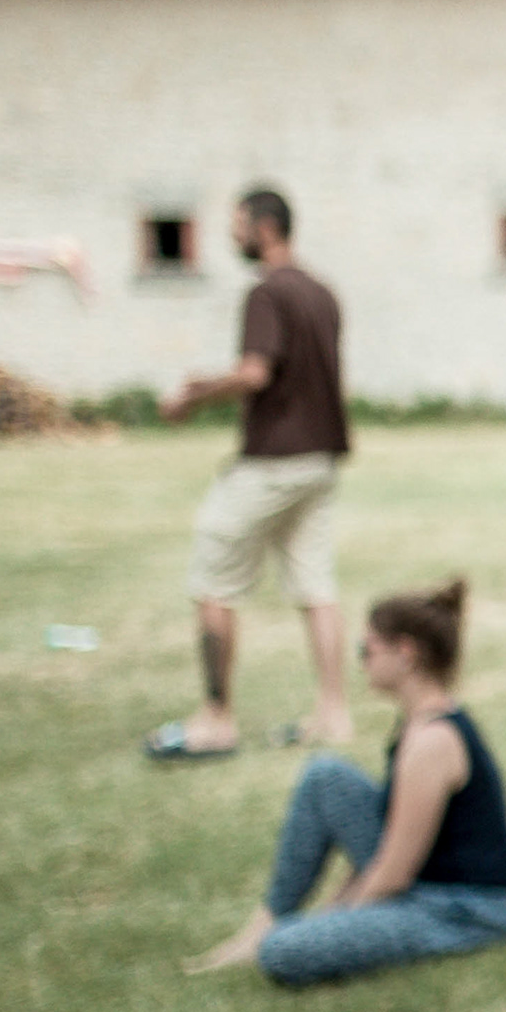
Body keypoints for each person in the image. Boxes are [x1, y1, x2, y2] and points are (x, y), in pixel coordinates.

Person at [183, 580, 506, 984]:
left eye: (366, 650)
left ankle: (270, 938)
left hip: (462, 906)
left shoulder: (432, 742)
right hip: (427, 879)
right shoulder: (419, 722)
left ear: (406, 653)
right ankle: (263, 925)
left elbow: (393, 875)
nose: (360, 662)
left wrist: (333, 921)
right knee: (325, 776)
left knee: (283, 950)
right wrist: (335, 913)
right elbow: (389, 843)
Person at [145, 190, 349, 760]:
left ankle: (216, 720)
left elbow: (255, 373)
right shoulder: (323, 292)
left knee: (214, 580)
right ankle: (333, 713)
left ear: (265, 227)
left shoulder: (265, 292)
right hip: (321, 460)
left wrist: (194, 395)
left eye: (238, 225)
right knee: (316, 585)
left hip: (272, 461)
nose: (232, 236)